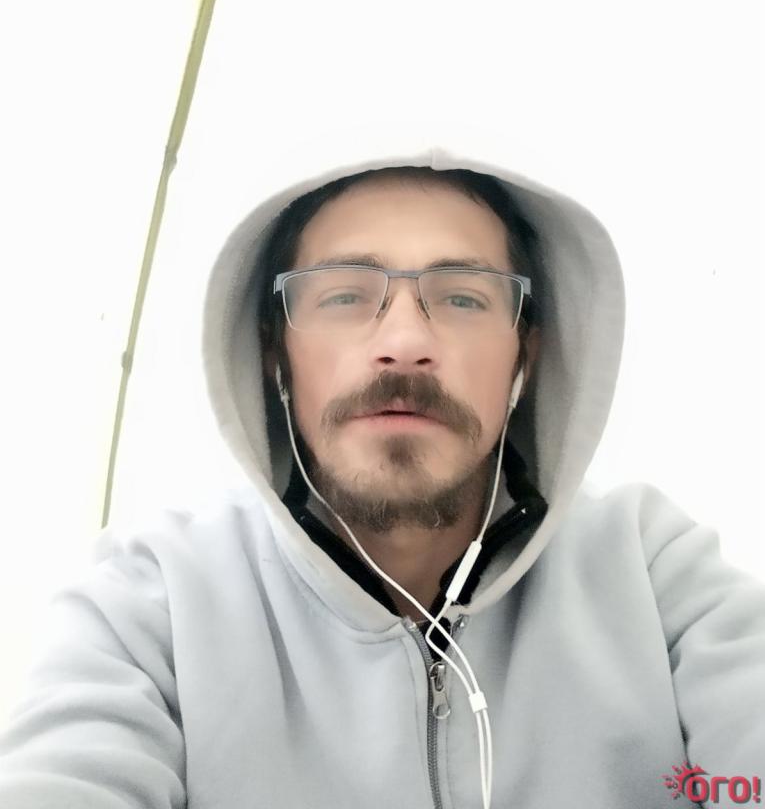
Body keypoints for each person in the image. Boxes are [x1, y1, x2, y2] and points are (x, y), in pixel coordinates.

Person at [1, 152, 763, 809]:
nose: (403, 341)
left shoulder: (651, 570)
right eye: (343, 295)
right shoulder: (152, 601)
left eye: (462, 297)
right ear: (272, 351)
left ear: (526, 355)